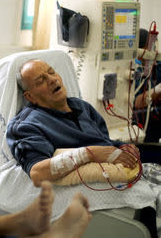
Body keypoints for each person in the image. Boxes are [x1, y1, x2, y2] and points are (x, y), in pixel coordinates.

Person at [8, 59, 140, 187]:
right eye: (41, 80)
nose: (53, 79)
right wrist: (89, 154)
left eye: (52, 72)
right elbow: (37, 172)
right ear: (30, 96)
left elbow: (103, 142)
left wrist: (122, 146)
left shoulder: (82, 106)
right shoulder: (26, 126)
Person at [133, 28, 160, 144]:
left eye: (155, 47)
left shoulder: (158, 67)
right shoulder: (134, 72)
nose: (154, 52)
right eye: (150, 48)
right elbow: (136, 102)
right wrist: (158, 90)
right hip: (142, 126)